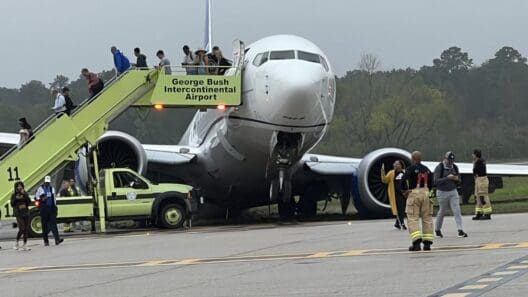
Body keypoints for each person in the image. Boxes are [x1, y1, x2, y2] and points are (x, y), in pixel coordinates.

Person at [402, 151, 434, 251]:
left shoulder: (410, 169)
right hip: (426, 194)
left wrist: (404, 191)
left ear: (412, 158)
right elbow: (431, 183)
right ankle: (427, 243)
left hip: (414, 194)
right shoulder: (427, 170)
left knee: (412, 218)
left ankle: (416, 242)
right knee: (427, 219)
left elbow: (403, 180)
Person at [434, 152, 468, 238]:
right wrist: (447, 178)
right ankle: (437, 229)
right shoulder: (440, 167)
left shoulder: (455, 167)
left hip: (453, 191)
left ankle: (460, 230)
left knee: (457, 210)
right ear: (445, 159)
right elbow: (436, 181)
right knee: (442, 211)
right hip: (442, 192)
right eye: (449, 160)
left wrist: (456, 179)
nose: (451, 163)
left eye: (452, 161)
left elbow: (459, 179)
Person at [35, 176, 64, 246]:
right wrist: (44, 198)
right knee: (44, 225)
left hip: (51, 208)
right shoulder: (40, 188)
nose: (47, 183)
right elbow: (38, 198)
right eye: (46, 182)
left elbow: (54, 198)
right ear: (44, 181)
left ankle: (57, 239)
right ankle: (46, 241)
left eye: (48, 182)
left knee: (53, 224)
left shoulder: (52, 189)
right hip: (44, 208)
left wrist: (55, 207)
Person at [381, 160, 408, 230]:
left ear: (401, 165)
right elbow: (385, 180)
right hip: (396, 194)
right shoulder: (391, 173)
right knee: (400, 209)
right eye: (395, 164)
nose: (396, 165)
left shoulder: (405, 172)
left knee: (402, 208)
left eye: (398, 164)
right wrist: (382, 172)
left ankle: (397, 223)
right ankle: (402, 223)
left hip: (404, 194)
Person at [11, 181, 31, 251]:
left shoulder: (25, 193)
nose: (20, 187)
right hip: (18, 213)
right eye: (18, 186)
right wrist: (16, 198)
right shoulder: (14, 195)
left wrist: (24, 194)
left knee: (26, 229)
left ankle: (25, 244)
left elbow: (29, 201)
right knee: (22, 228)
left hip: (26, 212)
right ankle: (16, 242)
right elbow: (12, 204)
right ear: (16, 187)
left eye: (21, 186)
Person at [472, 149, 492, 220]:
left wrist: (474, 165)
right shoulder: (479, 161)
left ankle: (487, 213)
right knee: (478, 197)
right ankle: (479, 213)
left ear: (476, 154)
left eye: (473, 154)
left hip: (482, 180)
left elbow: (476, 171)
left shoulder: (479, 161)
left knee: (483, 197)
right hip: (478, 180)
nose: (472, 155)